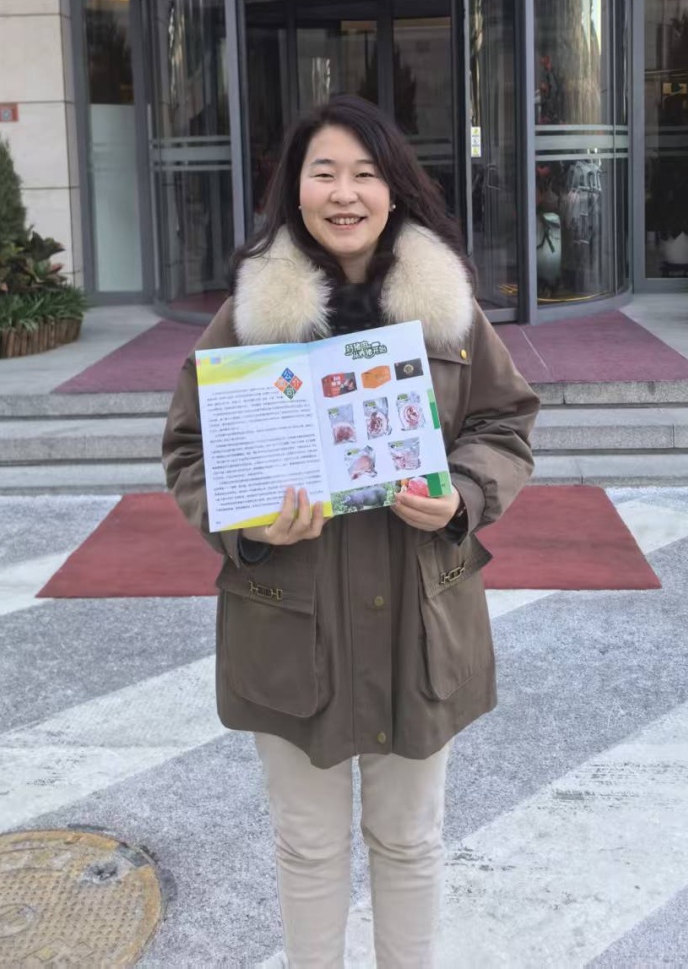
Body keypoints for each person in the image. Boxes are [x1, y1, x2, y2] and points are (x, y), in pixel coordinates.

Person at [163, 94, 539, 969]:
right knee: (308, 844)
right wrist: (248, 523)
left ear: (394, 187)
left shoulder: (446, 307)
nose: (344, 192)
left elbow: (506, 422)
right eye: (323, 171)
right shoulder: (249, 317)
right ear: (294, 190)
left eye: (365, 173)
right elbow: (189, 448)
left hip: (419, 616)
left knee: (409, 838)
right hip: (292, 620)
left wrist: (461, 496)